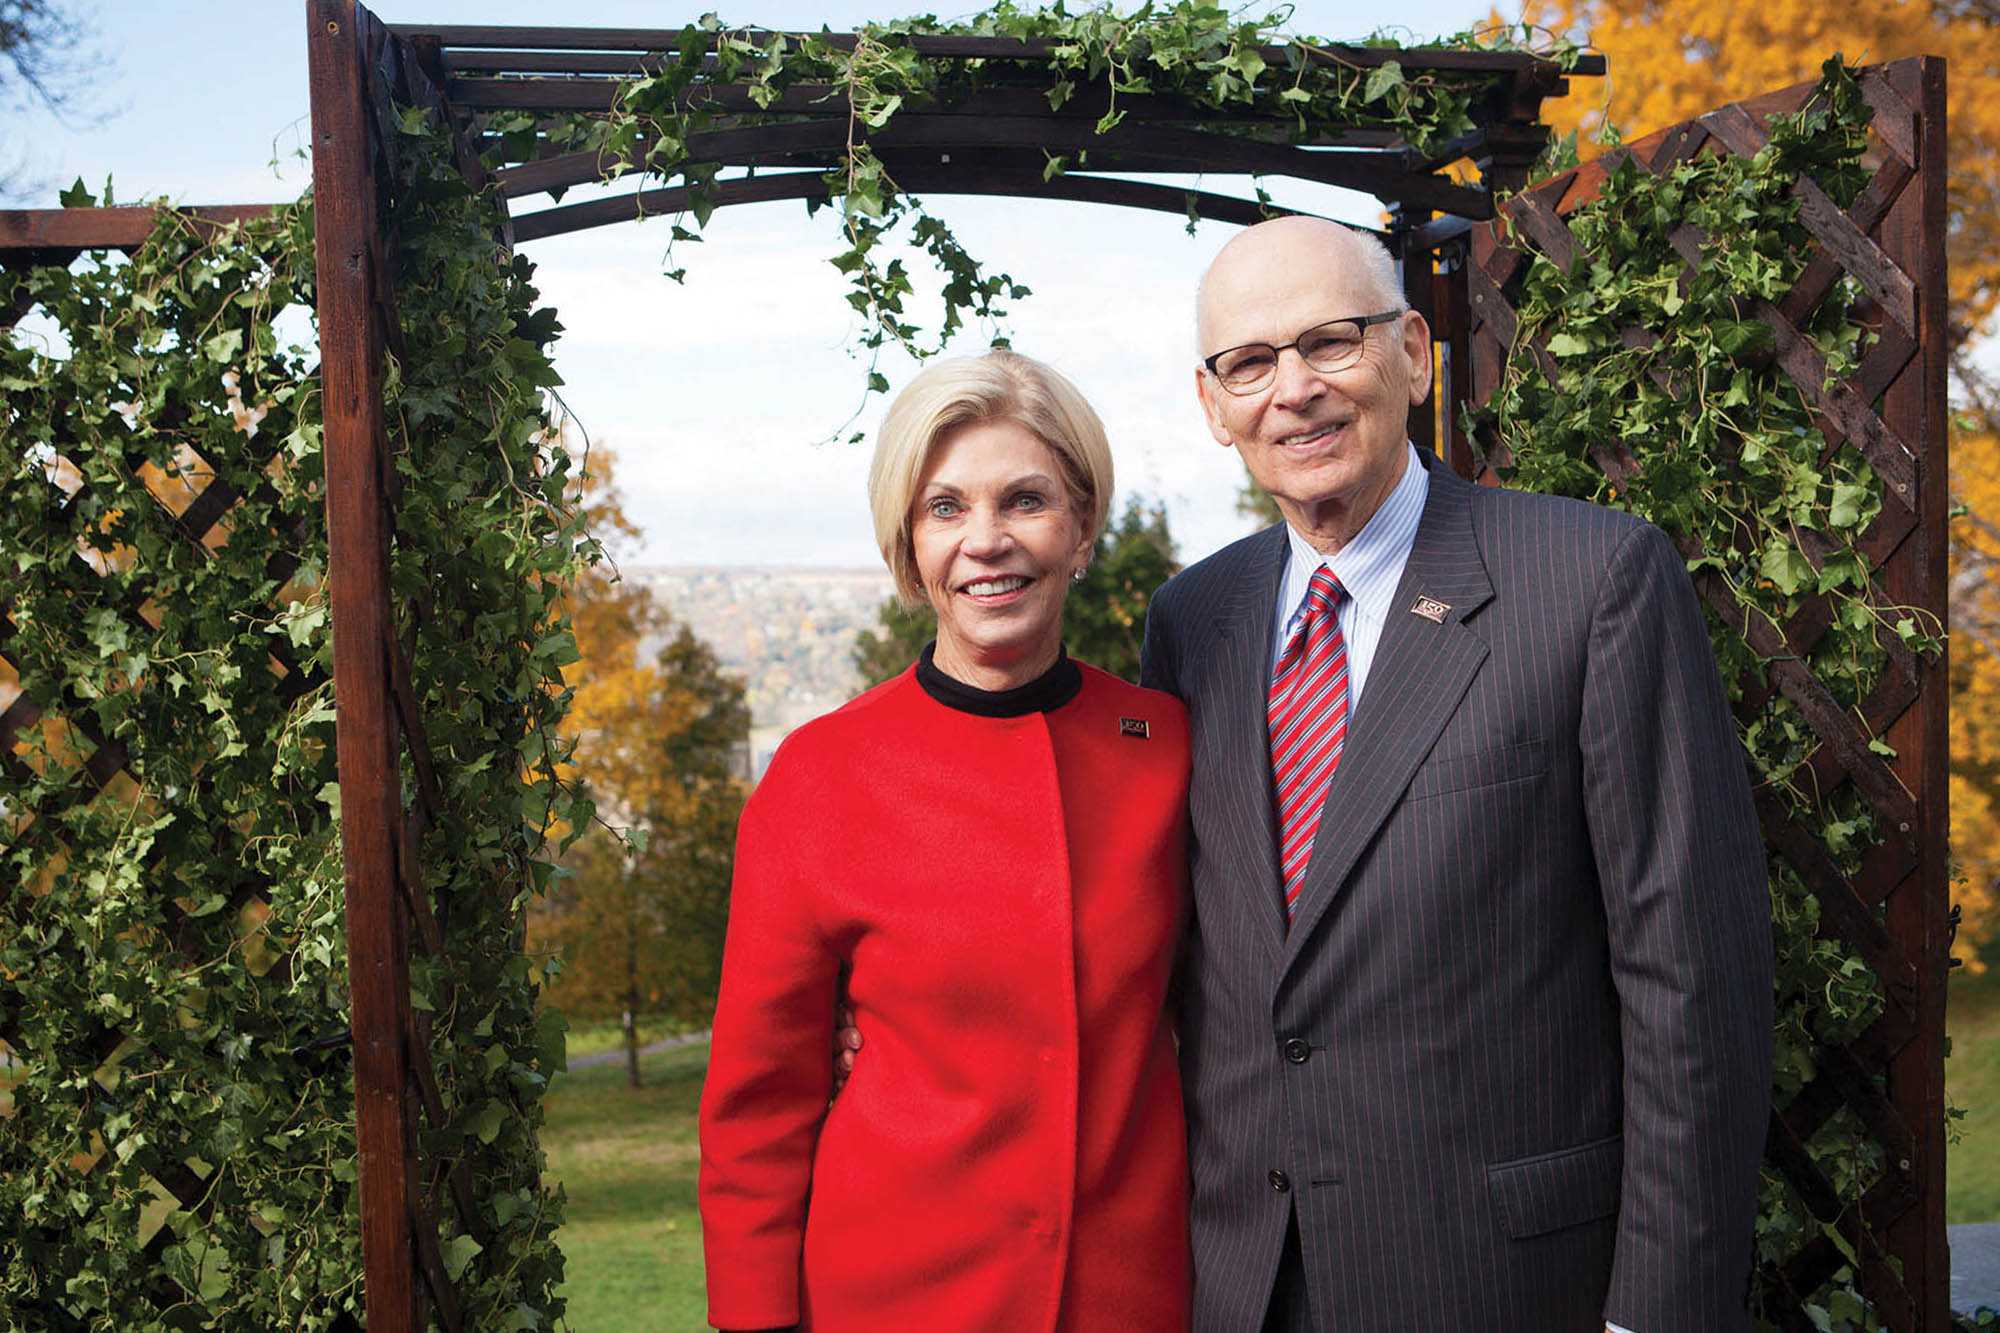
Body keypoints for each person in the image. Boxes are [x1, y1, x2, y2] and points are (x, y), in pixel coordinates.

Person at [1137, 215, 1773, 1332]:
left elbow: (1691, 986)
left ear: (1413, 355)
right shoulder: (1191, 622)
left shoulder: (1589, 580)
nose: (1292, 390)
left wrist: (1657, 1313)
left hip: (1508, 1285)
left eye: (1330, 340)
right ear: (1212, 405)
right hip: (1244, 1287)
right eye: (1248, 362)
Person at [698, 349, 1193, 1332]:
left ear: (1081, 523)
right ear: (907, 546)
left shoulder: (1169, 749)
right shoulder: (818, 776)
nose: (986, 542)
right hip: (889, 1294)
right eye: (944, 509)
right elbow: (758, 1100)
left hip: (1131, 1295)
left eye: (1024, 500)